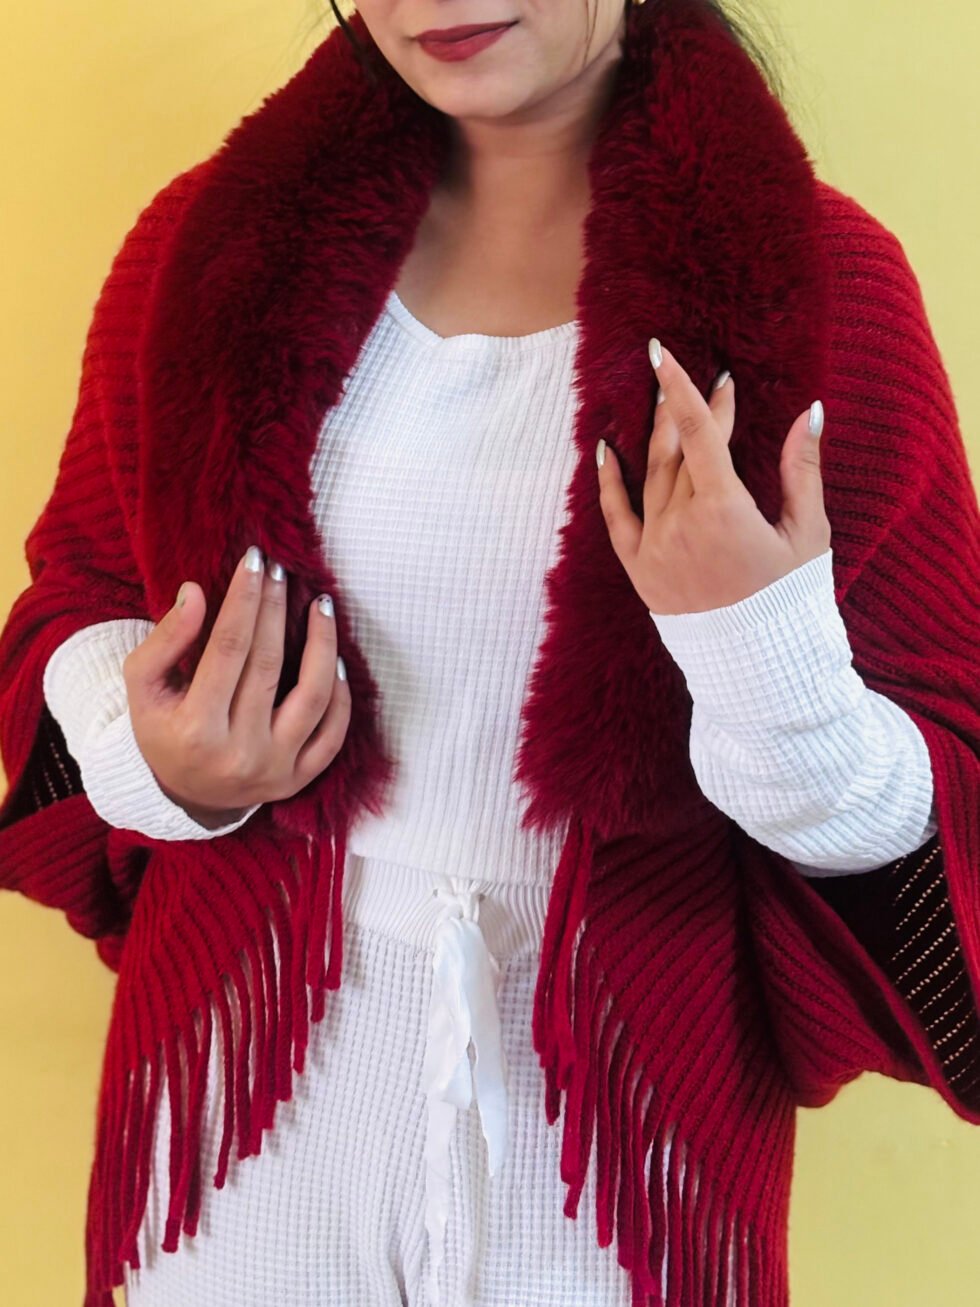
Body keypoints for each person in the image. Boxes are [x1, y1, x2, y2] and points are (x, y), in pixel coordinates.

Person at [2, 2, 977, 1305]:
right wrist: (158, 761)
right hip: (235, 1129)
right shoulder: (208, 248)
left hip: (621, 1156)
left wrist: (764, 658)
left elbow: (948, 793)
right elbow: (79, 603)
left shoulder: (825, 293)